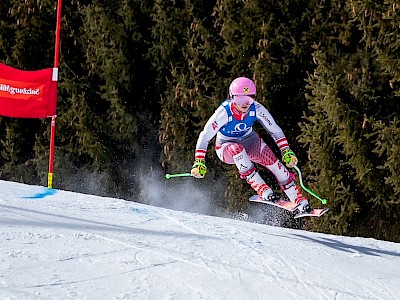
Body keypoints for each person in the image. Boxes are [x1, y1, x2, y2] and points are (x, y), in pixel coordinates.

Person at [190, 76, 311, 213]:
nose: (245, 104)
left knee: (274, 163)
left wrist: (286, 151)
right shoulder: (224, 112)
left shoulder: (257, 108)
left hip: (250, 141)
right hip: (226, 147)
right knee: (237, 149)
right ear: (232, 98)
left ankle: (299, 201)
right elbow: (205, 136)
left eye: (249, 99)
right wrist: (199, 161)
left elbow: (275, 130)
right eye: (240, 99)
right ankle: (263, 189)